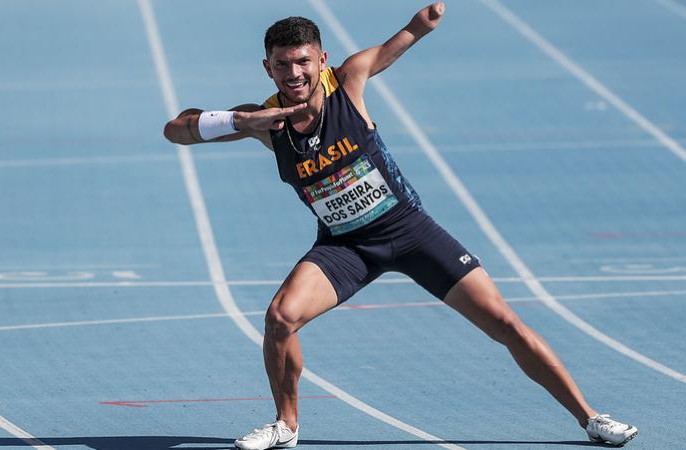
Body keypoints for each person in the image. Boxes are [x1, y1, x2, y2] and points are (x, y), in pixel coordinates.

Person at [163, 3, 637, 449]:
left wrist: (426, 21)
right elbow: (176, 129)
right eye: (283, 65)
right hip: (345, 247)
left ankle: (590, 418)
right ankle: (286, 425)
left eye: (303, 62)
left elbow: (404, 37)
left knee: (505, 323)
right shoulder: (266, 122)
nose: (294, 74)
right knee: (280, 318)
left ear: (321, 60)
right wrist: (242, 119)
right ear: (268, 68)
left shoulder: (348, 80)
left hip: (409, 231)